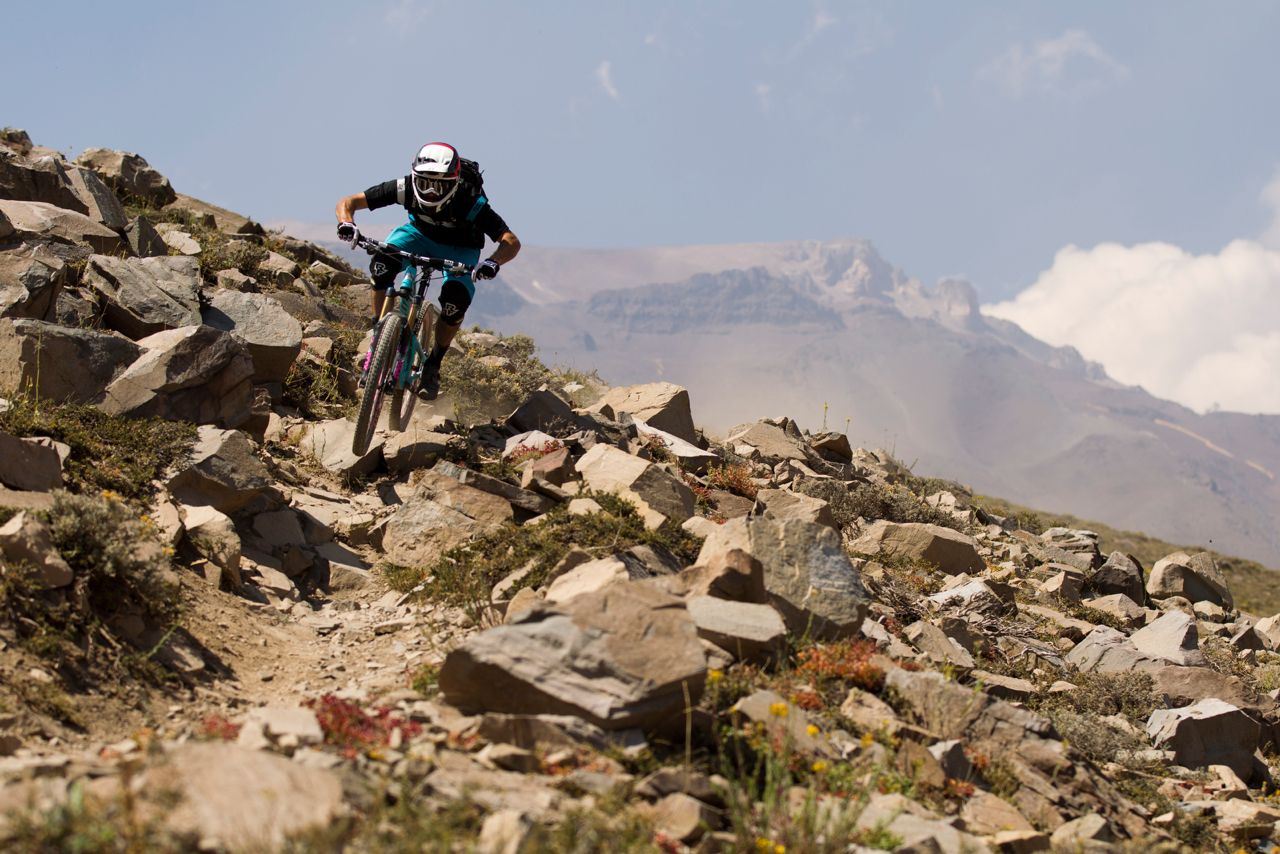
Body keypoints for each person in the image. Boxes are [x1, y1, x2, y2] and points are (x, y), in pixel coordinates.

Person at [334, 142, 520, 399]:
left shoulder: (470, 201)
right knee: (381, 265)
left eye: (439, 186)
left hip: (460, 248)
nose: (431, 192)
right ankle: (378, 335)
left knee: (455, 302)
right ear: (415, 178)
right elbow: (349, 202)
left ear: (454, 183)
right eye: (424, 183)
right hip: (417, 236)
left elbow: (510, 241)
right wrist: (347, 223)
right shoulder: (405, 187)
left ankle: (433, 365)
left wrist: (492, 262)